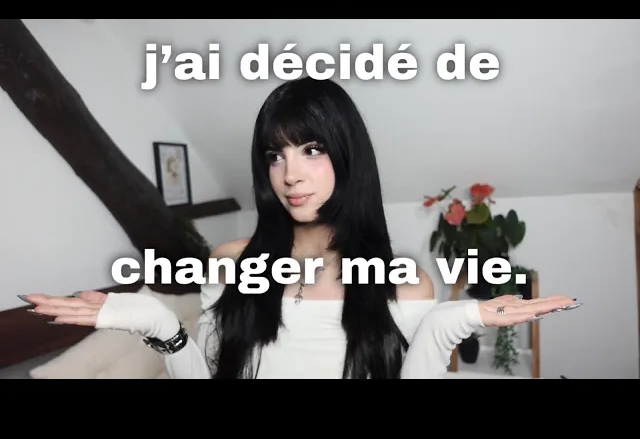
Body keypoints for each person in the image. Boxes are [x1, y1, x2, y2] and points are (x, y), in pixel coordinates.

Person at [22, 77, 580, 379]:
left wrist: (446, 324)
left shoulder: (405, 285)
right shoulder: (231, 263)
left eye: (311, 149)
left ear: (347, 155)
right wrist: (157, 322)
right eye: (275, 155)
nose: (290, 174)